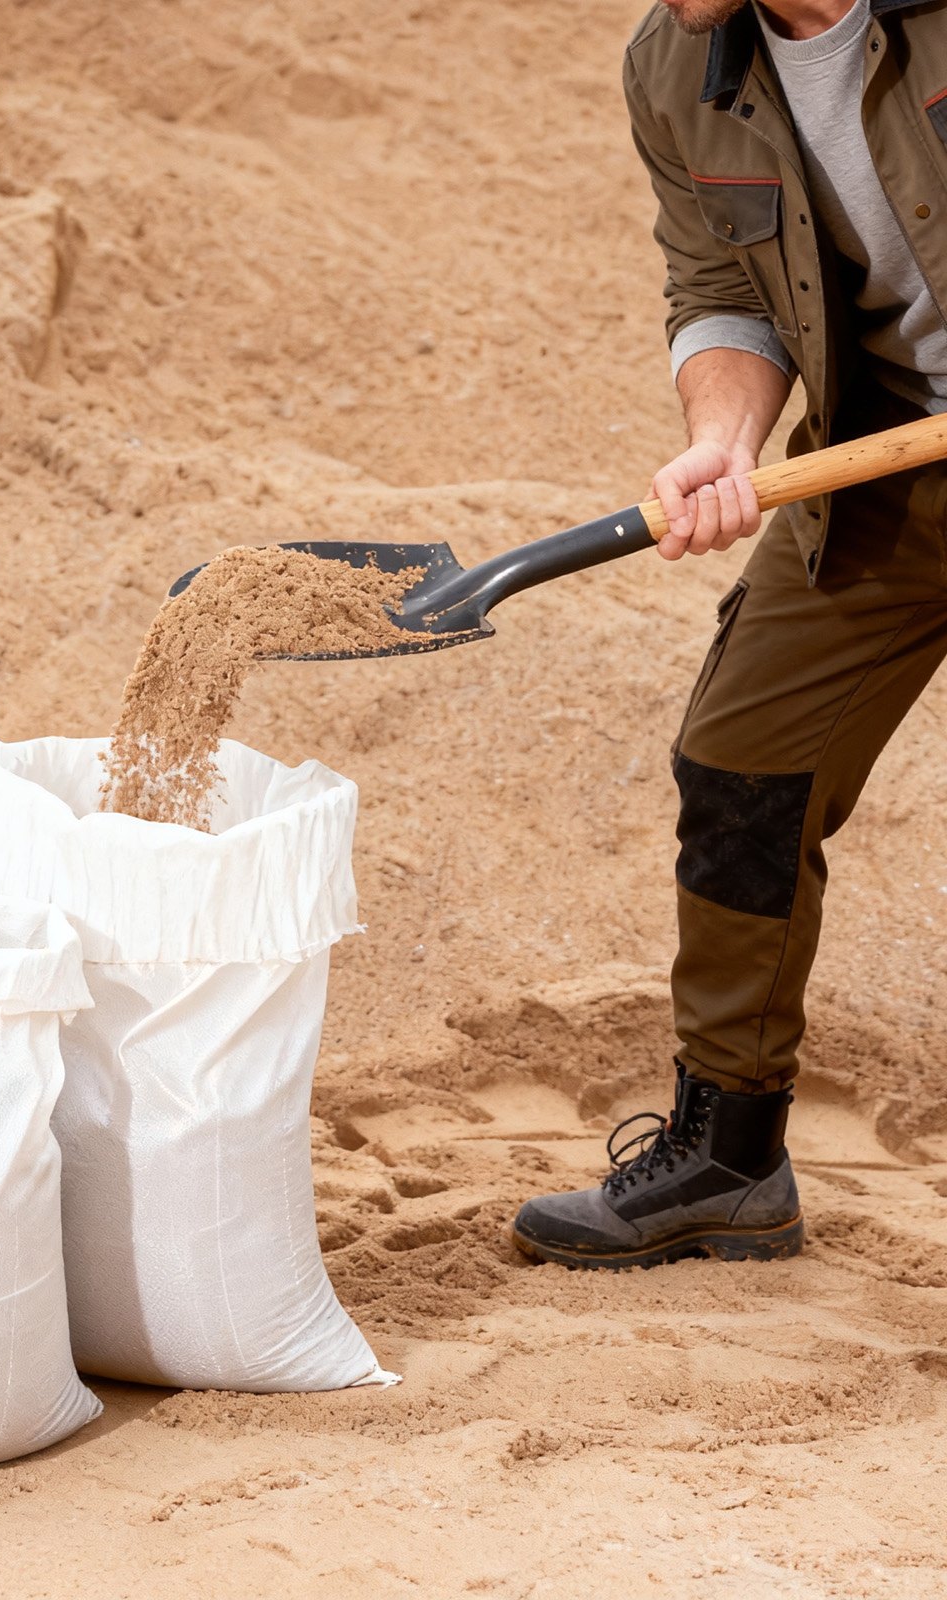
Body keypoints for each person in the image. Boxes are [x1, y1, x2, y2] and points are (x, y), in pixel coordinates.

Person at [512, 0, 947, 1268]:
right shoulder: (676, 63)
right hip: (891, 451)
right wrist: (723, 436)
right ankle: (730, 1155)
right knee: (742, 761)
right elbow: (715, 285)